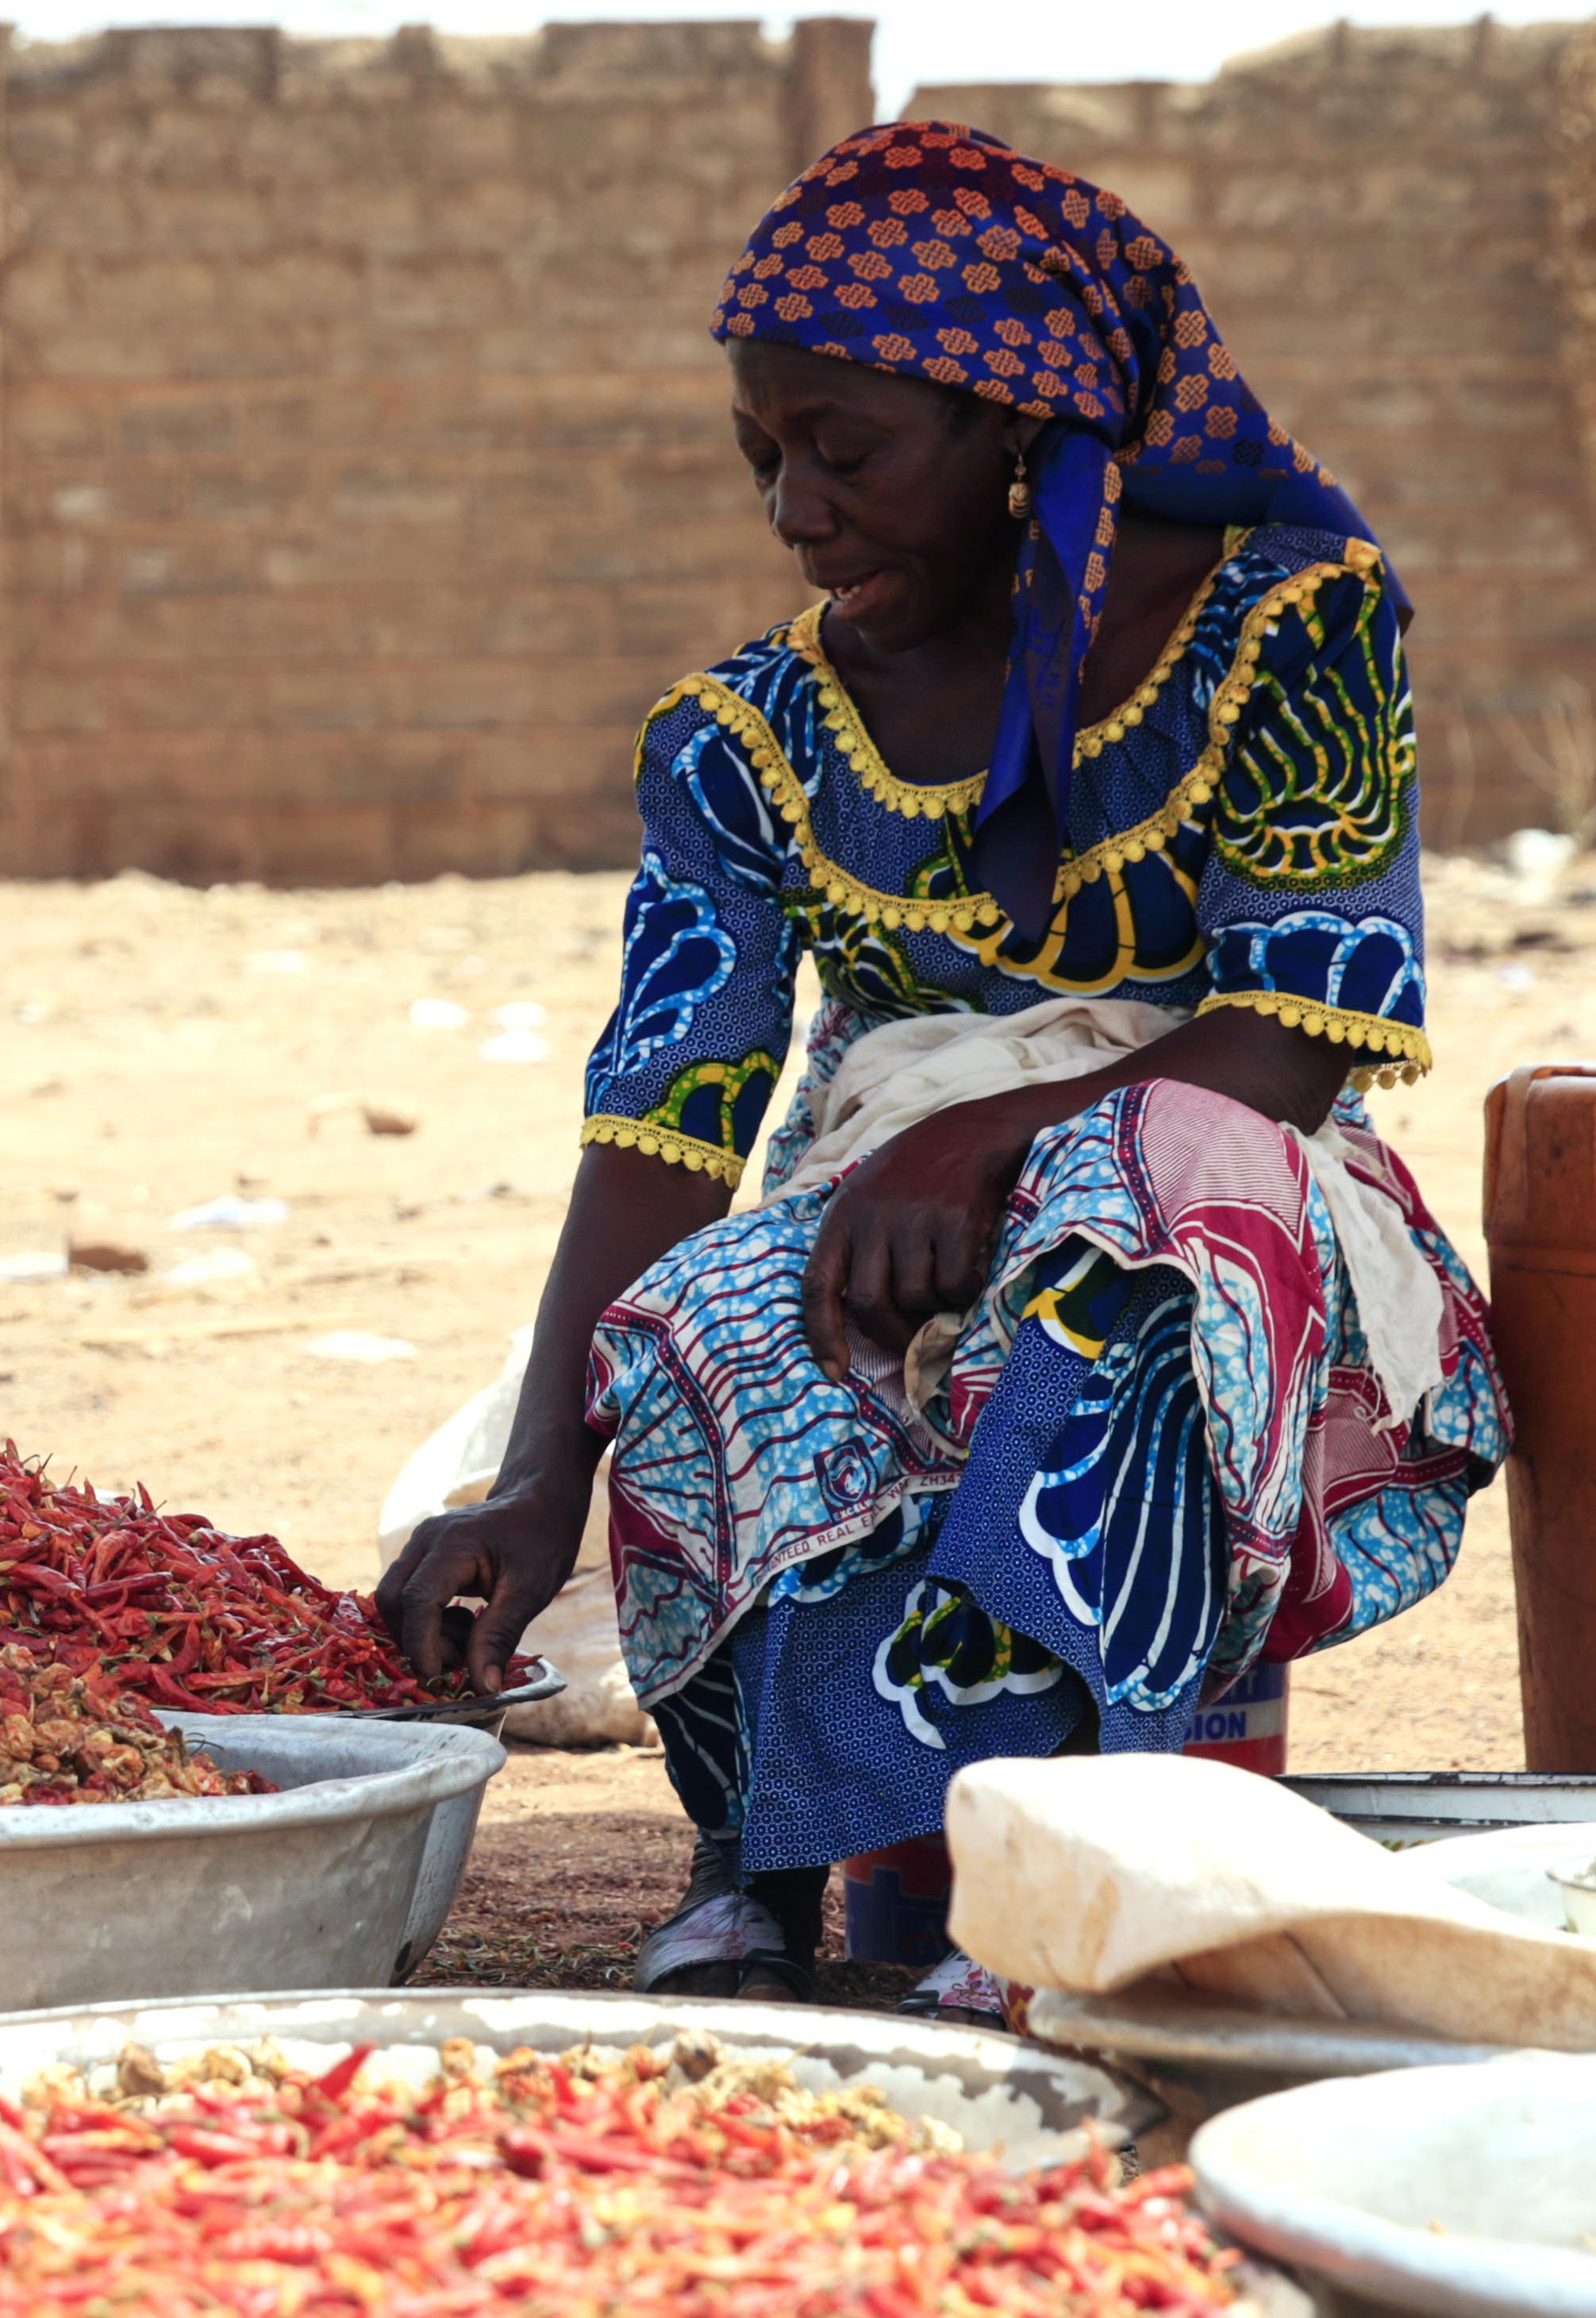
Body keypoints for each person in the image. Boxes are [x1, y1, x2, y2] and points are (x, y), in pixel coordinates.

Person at [378, 121, 1506, 2021]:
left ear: (1018, 431)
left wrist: (992, 1135)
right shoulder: (741, 739)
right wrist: (528, 1481)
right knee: (698, 1304)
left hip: (1250, 1230)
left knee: (1131, 1210)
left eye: (845, 449)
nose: (794, 513)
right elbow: (668, 1115)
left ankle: (1090, 1839)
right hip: (885, 1212)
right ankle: (760, 1863)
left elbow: (1306, 1018)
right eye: (765, 458)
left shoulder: (1290, 625)